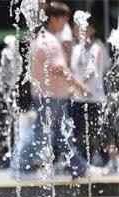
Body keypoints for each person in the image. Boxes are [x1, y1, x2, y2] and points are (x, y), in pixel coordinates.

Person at [17, 1, 105, 179]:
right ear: (54, 19)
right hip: (51, 96)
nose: (67, 24)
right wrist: (80, 87)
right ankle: (20, 167)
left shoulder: (43, 38)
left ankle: (79, 168)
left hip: (50, 95)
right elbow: (60, 69)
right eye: (65, 20)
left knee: (62, 135)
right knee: (41, 133)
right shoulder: (49, 41)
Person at [70, 16, 114, 167]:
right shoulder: (75, 48)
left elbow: (93, 69)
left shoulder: (97, 47)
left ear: (92, 30)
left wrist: (77, 84)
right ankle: (86, 159)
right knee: (79, 132)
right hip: (78, 98)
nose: (78, 31)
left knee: (102, 131)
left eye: (82, 28)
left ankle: (114, 159)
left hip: (95, 97)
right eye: (76, 28)